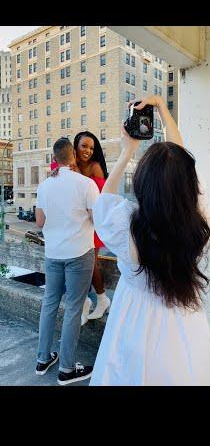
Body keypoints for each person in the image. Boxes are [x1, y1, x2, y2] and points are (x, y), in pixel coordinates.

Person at [89, 95, 210, 385]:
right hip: (184, 323)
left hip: (133, 320)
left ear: (142, 182)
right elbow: (182, 164)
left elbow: (104, 202)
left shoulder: (126, 225)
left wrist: (126, 152)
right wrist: (161, 107)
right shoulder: (201, 222)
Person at [34, 137, 99, 385]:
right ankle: (67, 369)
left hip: (53, 254)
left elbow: (39, 222)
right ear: (73, 157)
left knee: (49, 305)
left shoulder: (44, 186)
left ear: (54, 159)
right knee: (73, 309)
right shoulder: (86, 184)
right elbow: (97, 219)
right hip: (79, 254)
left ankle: (42, 359)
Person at [73, 131, 111, 323]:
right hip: (77, 224)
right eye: (84, 146)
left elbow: (98, 198)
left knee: (90, 264)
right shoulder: (70, 165)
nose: (88, 150)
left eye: (91, 147)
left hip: (94, 223)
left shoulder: (95, 167)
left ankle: (100, 299)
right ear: (75, 147)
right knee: (77, 262)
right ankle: (88, 301)